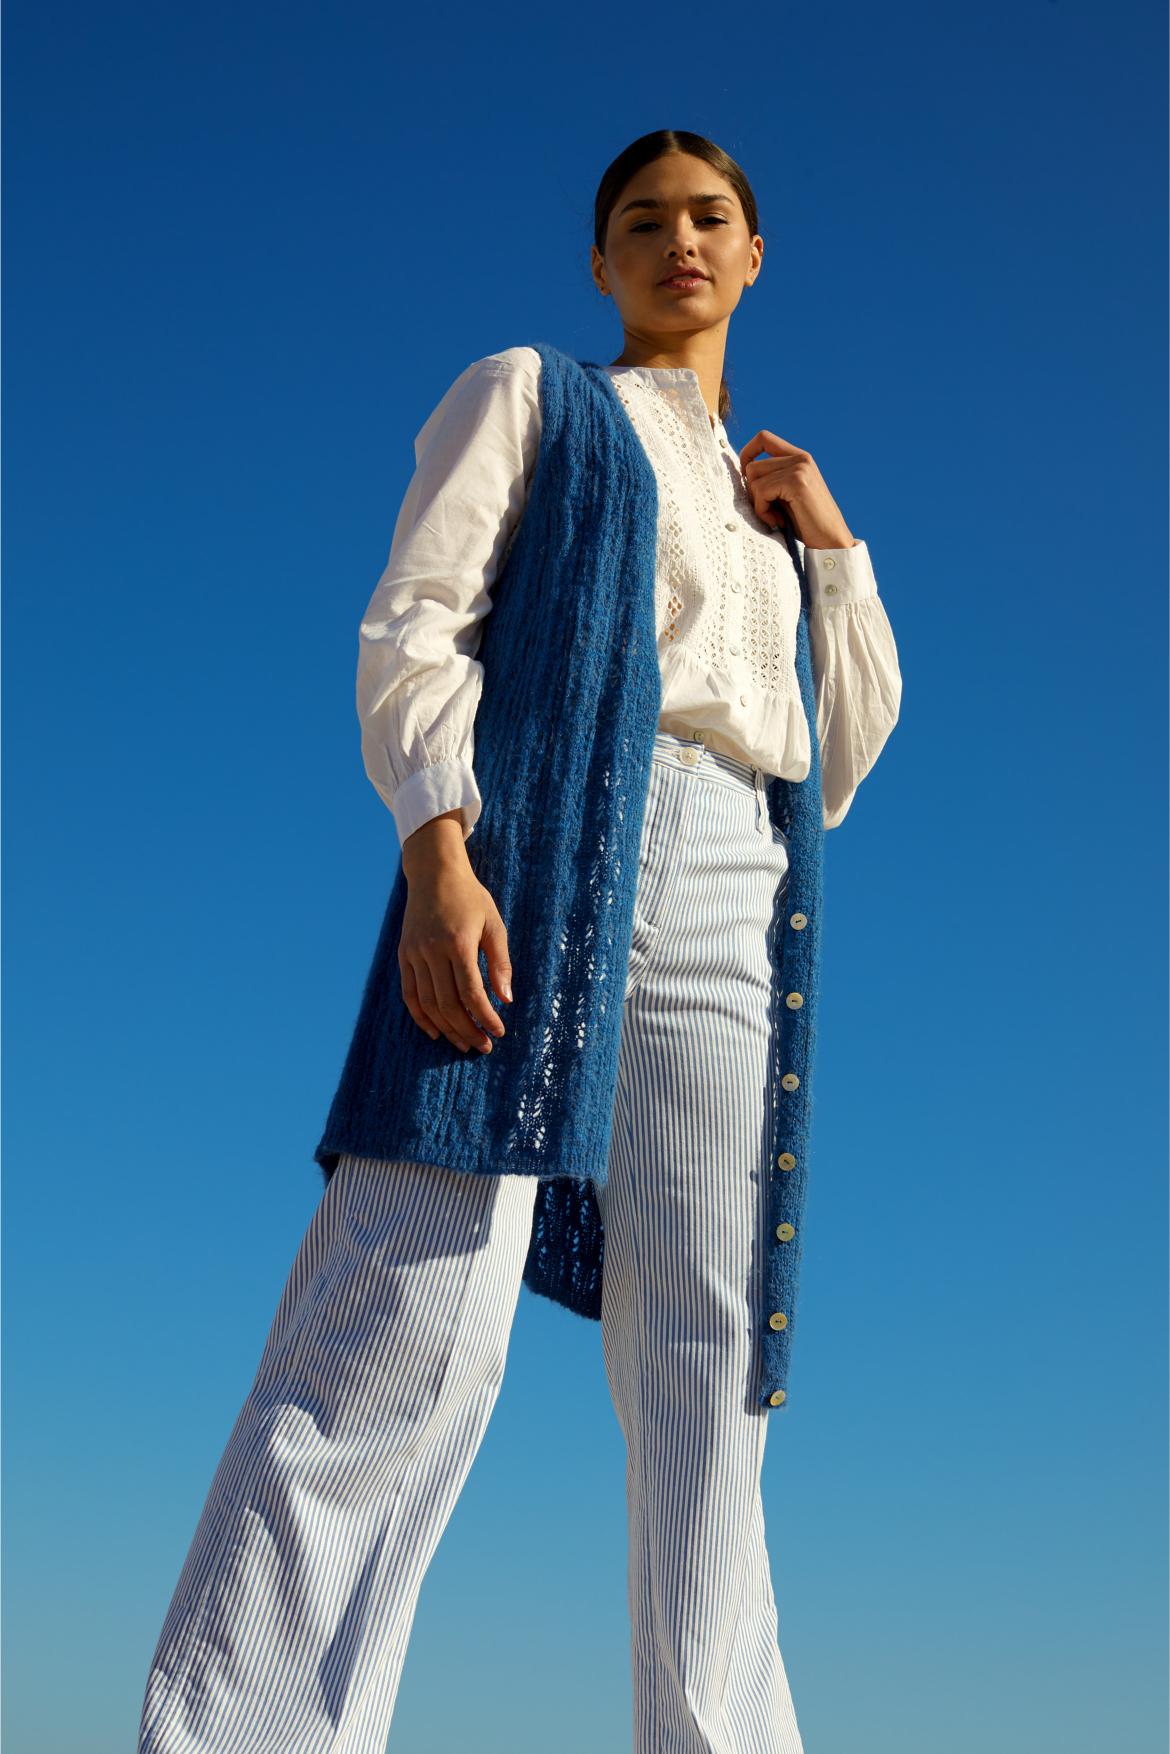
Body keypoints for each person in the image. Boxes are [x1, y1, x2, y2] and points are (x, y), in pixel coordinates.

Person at [138, 128, 902, 1754]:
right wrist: (438, 853)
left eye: (709, 217)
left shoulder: (774, 520)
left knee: (708, 1379)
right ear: (600, 261)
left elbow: (841, 749)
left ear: (752, 254)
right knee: (408, 1314)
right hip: (540, 855)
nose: (678, 240)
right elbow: (416, 624)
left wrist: (827, 543)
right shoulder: (535, 397)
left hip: (735, 892)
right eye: (642, 220)